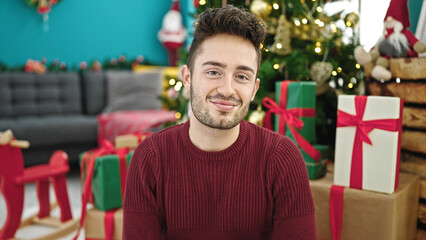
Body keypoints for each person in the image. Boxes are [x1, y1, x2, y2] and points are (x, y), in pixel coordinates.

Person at [123, 5, 317, 240]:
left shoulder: (282, 159)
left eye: (242, 76)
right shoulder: (150, 158)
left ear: (254, 89)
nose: (227, 90)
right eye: (214, 72)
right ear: (187, 78)